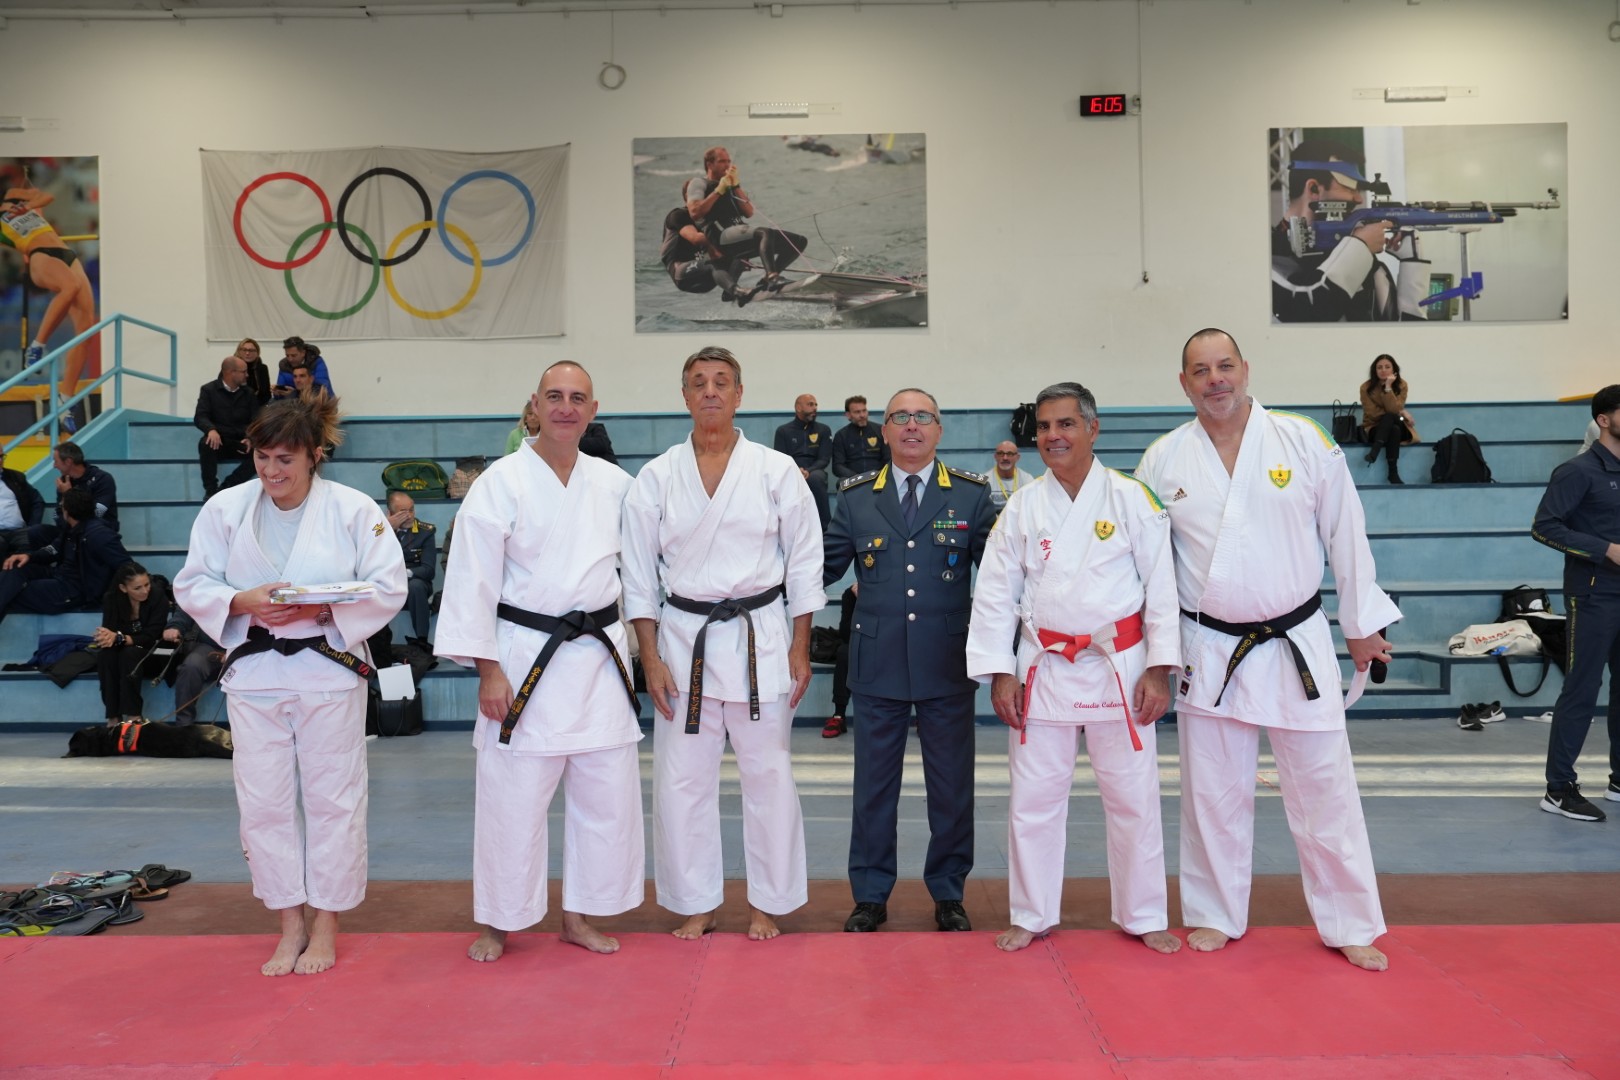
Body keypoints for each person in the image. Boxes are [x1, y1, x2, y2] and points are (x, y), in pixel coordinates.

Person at [1134, 328, 1398, 971]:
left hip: (1296, 640)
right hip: (1208, 646)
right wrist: (1157, 656)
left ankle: (1350, 921)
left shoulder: (1302, 440)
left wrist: (1360, 622)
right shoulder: (1163, 460)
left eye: (1224, 366)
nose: (1215, 379)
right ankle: (1214, 913)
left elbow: (1346, 532)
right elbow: (1148, 570)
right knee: (1212, 792)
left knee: (1324, 787)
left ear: (1245, 369)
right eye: (1201, 370)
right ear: (1184, 383)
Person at [173, 394, 407, 978]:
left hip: (328, 669)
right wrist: (240, 600)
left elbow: (388, 585)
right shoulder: (226, 509)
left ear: (314, 455)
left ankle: (326, 922)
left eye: (286, 460)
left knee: (333, 799)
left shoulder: (353, 510)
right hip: (255, 673)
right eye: (262, 458)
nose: (272, 471)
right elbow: (193, 581)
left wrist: (323, 610)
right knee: (264, 804)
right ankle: (289, 923)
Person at [436, 360, 646, 963]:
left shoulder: (615, 484)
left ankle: (579, 916)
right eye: (554, 396)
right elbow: (472, 580)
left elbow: (639, 571)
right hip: (525, 656)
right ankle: (499, 921)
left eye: (577, 398)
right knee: (512, 799)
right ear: (534, 405)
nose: (565, 408)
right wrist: (487, 670)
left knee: (604, 798)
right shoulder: (499, 483)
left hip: (599, 659)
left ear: (593, 411)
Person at [967, 383, 1180, 954]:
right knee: (1033, 800)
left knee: (1134, 798)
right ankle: (1031, 913)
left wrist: (1160, 668)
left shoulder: (1132, 498)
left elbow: (1162, 587)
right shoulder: (1022, 506)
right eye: (1043, 427)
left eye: (1065, 424)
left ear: (1092, 428)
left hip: (1120, 666)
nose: (1053, 436)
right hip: (1044, 667)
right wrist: (1001, 671)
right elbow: (995, 593)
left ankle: (1143, 913)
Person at [621, 345, 824, 942]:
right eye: (698, 382)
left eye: (721, 382)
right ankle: (697, 901)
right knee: (682, 781)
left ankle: (769, 902)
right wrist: (650, 657)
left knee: (769, 777)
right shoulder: (657, 477)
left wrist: (801, 646)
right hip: (684, 641)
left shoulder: (775, 470)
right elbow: (638, 577)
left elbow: (805, 562)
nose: (710, 391)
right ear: (684, 395)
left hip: (762, 636)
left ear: (739, 394)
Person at [823, 388, 997, 933]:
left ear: (939, 430)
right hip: (877, 665)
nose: (912, 425)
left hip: (946, 661)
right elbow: (821, 567)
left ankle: (948, 891)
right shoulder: (856, 497)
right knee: (874, 790)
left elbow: (1001, 575)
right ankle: (870, 894)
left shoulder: (971, 495)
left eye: (924, 416)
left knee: (952, 789)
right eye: (900, 416)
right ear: (885, 432)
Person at [1529, 383, 1620, 822]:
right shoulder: (1577, 471)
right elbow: (1544, 527)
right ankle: (1558, 788)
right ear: (1604, 419)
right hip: (1593, 593)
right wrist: (1605, 549)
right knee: (1582, 688)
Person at [1271, 139, 1430, 323]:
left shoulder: (1366, 263)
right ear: (1313, 189)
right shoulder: (1267, 254)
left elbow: (1403, 332)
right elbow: (1304, 310)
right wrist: (1360, 246)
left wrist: (1412, 265)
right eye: (1348, 187)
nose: (1358, 199)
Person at [1, 182, 96, 428]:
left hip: (67, 254)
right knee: (70, 286)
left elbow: (47, 196)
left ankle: (65, 401)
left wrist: (29, 205)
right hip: (40, 254)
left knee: (86, 330)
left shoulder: (11, 196)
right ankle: (37, 346)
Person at [683, 146, 808, 298]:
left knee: (798, 241)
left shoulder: (729, 184)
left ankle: (765, 281)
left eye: (728, 161)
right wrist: (718, 190)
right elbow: (695, 212)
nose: (727, 165)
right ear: (709, 164)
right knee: (764, 233)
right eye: (722, 161)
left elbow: (749, 212)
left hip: (737, 234)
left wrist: (735, 185)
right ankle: (772, 277)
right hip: (719, 235)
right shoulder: (698, 183)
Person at [0, 488, 129, 626]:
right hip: (59, 574)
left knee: (11, 592)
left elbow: (126, 565)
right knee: (15, 567)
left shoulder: (99, 534)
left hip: (72, 590)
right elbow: (53, 549)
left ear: (67, 511)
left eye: (61, 506)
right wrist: (28, 556)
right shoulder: (71, 528)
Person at [93, 561, 172, 726]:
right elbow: (110, 631)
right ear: (123, 588)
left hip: (155, 652)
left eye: (147, 584)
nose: (145, 591)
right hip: (124, 652)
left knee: (130, 654)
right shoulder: (111, 599)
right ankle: (113, 717)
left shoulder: (158, 596)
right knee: (105, 655)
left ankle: (134, 716)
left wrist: (121, 638)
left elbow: (152, 635)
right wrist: (104, 637)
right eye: (137, 588)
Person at [195, 354, 262, 499]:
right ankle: (210, 489)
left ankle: (227, 488)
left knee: (261, 454)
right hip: (220, 441)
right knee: (206, 443)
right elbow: (200, 416)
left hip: (242, 442)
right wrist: (211, 430)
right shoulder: (208, 390)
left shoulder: (249, 393)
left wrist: (250, 438)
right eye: (244, 372)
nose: (247, 375)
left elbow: (256, 420)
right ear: (231, 373)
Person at [386, 490, 437, 649]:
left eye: (411, 509)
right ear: (391, 513)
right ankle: (377, 642)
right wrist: (387, 529)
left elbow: (428, 570)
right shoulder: (381, 530)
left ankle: (422, 640)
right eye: (403, 512)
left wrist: (404, 574)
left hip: (415, 582)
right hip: (388, 581)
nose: (409, 515)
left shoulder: (425, 532)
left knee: (415, 586)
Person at [774, 394, 833, 529]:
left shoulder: (823, 430)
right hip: (791, 470)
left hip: (815, 470)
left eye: (816, 405)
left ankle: (825, 528)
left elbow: (824, 459)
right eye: (810, 404)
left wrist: (808, 471)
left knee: (816, 478)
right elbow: (781, 458)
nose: (815, 408)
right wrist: (796, 470)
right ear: (798, 408)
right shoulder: (783, 431)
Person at [1359, 354, 1418, 485]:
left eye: (1387, 367)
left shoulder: (1402, 385)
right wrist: (1401, 412)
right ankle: (1393, 473)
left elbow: (1394, 410)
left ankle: (1375, 450)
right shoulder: (1365, 387)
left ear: (1394, 369)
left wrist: (1388, 388)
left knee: (1391, 418)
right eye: (1379, 367)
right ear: (1374, 370)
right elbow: (1372, 414)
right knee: (1393, 428)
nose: (1383, 370)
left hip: (1397, 423)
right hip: (1374, 427)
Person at [163, 607, 225, 727]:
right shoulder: (207, 593)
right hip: (210, 645)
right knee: (191, 667)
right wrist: (175, 626)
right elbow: (188, 605)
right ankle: (184, 725)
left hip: (249, 647)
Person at [50, 442, 117, 532]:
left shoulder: (102, 479)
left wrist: (68, 494)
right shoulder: (64, 482)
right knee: (37, 531)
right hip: (70, 531)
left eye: (56, 461)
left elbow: (97, 513)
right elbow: (57, 514)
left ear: (68, 462)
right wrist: (67, 529)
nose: (54, 466)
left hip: (97, 531)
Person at [823, 584, 857, 739]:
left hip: (890, 643)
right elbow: (845, 634)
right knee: (844, 652)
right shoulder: (851, 594)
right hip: (861, 643)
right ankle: (839, 715)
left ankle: (921, 716)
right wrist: (860, 601)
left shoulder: (895, 591)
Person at [0, 443, 45, 560]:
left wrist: (33, 526)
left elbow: (37, 501)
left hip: (19, 531)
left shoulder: (16, 477)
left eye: (1, 456)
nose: (0, 461)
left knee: (34, 540)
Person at [830, 395, 889, 481]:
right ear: (848, 415)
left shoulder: (880, 431)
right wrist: (857, 477)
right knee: (841, 482)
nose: (862, 415)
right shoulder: (841, 435)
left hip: (878, 477)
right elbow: (837, 466)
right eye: (857, 412)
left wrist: (878, 475)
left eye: (864, 411)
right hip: (852, 478)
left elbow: (888, 459)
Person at [988, 440, 1036, 509]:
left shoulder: (1027, 480)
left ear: (1017, 457)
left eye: (1010, 454)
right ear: (995, 456)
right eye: (1001, 453)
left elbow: (1031, 508)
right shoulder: (986, 480)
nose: (1005, 458)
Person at [237, 338, 273, 407]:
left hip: (258, 406)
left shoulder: (262, 368)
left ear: (257, 353)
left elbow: (266, 394)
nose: (247, 353)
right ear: (239, 351)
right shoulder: (231, 367)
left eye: (251, 350)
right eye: (244, 350)